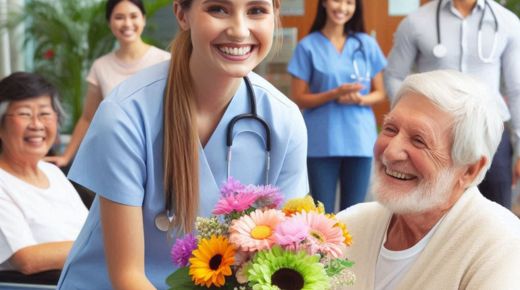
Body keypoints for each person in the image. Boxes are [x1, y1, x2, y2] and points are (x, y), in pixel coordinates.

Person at [57, 0, 308, 289]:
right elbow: (128, 276)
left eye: (256, 10)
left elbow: (282, 254)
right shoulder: (125, 114)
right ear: (181, 14)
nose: (240, 30)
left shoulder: (284, 120)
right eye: (218, 9)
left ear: (274, 16)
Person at [338, 70, 520, 290]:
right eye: (390, 129)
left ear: (470, 170)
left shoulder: (500, 243)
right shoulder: (349, 226)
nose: (391, 152)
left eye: (418, 140)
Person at [384, 0, 520, 210]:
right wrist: (408, 119)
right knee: (433, 209)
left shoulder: (507, 22)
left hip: (492, 133)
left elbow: (516, 88)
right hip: (434, 134)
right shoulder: (416, 21)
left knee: (497, 209)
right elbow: (394, 74)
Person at [287, 0, 386, 212]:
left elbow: (380, 93)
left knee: (356, 212)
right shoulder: (308, 46)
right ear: (324, 3)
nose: (342, 8)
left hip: (359, 139)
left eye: (349, 3)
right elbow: (298, 98)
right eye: (337, 1)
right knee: (324, 213)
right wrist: (334, 93)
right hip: (322, 141)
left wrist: (360, 99)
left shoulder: (366, 44)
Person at [45, 0, 170, 168]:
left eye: (133, 16)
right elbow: (88, 118)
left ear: (144, 19)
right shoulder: (101, 66)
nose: (127, 24)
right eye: (119, 17)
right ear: (109, 23)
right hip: (116, 155)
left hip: (160, 152)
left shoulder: (165, 61)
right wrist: (66, 157)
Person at [0, 72, 88, 276]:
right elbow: (28, 259)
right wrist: (108, 247)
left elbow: (90, 233)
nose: (37, 125)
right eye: (24, 114)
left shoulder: (53, 173)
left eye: (45, 114)